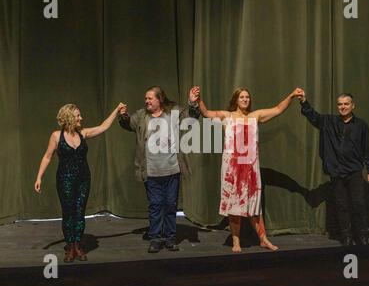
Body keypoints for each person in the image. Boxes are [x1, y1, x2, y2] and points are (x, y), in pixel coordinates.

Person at [197, 86, 304, 252]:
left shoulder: (256, 116)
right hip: (231, 169)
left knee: (254, 206)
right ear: (236, 100)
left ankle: (263, 239)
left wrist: (291, 95)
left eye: (247, 97)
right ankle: (236, 241)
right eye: (242, 97)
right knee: (234, 205)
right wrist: (197, 99)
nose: (245, 99)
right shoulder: (228, 116)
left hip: (251, 168)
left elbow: (277, 109)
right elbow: (206, 113)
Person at [34, 103, 126, 262]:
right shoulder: (56, 136)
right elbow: (47, 156)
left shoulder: (83, 133)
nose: (81, 118)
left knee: (79, 212)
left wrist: (116, 110)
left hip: (83, 179)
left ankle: (77, 244)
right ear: (69, 117)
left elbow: (103, 127)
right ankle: (70, 247)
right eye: (77, 115)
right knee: (68, 212)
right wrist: (39, 177)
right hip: (65, 180)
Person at [118, 86, 200, 253]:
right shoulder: (142, 115)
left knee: (170, 205)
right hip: (151, 170)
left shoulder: (174, 112)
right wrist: (123, 116)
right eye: (146, 98)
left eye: (150, 98)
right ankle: (156, 238)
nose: (146, 101)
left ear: (159, 99)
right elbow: (128, 124)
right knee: (155, 205)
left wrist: (192, 103)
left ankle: (170, 238)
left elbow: (192, 117)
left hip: (172, 169)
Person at [298, 92, 369, 246]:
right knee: (341, 205)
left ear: (353, 105)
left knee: (358, 203)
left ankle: (362, 235)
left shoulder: (361, 125)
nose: (343, 107)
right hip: (336, 172)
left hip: (354, 171)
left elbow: (367, 148)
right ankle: (346, 237)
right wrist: (304, 101)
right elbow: (313, 116)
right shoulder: (329, 122)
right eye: (340, 104)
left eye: (346, 104)